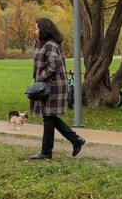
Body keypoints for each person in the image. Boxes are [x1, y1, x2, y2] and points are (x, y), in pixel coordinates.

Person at [29, 18, 86, 160]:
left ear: (44, 29)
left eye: (37, 28)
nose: (34, 31)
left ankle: (46, 152)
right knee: (49, 117)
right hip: (50, 84)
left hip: (52, 85)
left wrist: (41, 77)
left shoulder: (50, 45)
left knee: (48, 117)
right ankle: (75, 140)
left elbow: (54, 65)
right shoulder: (44, 43)